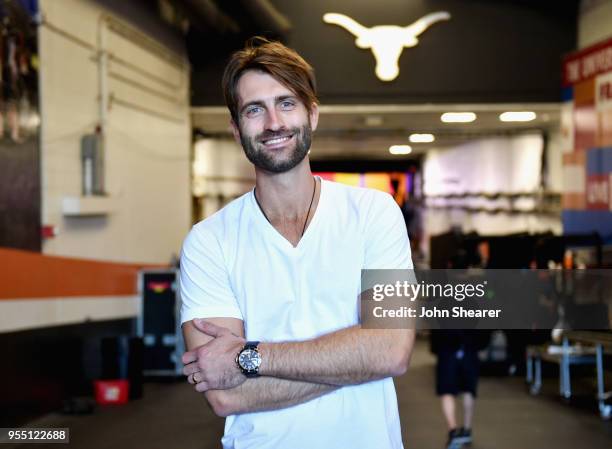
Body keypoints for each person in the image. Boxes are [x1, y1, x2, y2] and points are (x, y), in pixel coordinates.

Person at [179, 37, 415, 449]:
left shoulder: (376, 213)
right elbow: (224, 394)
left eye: (287, 103)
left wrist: (247, 358)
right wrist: (356, 359)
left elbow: (392, 350)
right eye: (255, 109)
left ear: (312, 114)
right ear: (236, 129)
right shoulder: (208, 241)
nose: (273, 123)